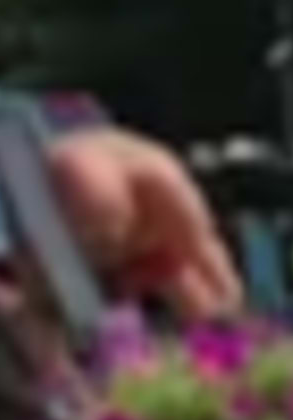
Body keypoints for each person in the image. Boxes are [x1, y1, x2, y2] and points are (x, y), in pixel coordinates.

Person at [45, 128, 244, 326]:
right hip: (79, 227)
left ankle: (219, 326)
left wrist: (229, 297)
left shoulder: (159, 180)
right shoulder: (49, 190)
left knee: (184, 272)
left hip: (149, 230)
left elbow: (202, 245)